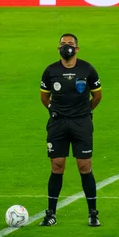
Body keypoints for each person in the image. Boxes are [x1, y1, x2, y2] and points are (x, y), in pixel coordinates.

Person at [39, 34, 102, 227]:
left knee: (85, 166)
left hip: (81, 124)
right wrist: (55, 111)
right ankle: (51, 213)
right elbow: (44, 97)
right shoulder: (50, 71)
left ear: (77, 48)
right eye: (63, 44)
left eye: (71, 44)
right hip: (58, 124)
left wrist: (83, 112)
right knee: (57, 166)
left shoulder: (87, 69)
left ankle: (92, 213)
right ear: (58, 48)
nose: (67, 47)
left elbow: (97, 96)